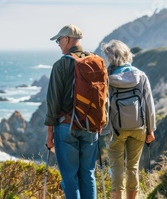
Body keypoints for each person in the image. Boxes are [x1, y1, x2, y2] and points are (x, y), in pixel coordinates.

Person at [45, 24, 100, 199]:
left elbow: (53, 102)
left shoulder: (61, 65)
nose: (59, 44)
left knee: (70, 179)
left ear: (67, 39)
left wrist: (49, 133)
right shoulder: (96, 61)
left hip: (67, 127)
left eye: (59, 40)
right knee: (88, 175)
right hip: (91, 126)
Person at [101, 40, 156, 199]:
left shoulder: (108, 79)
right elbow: (149, 104)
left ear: (111, 58)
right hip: (139, 127)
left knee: (116, 168)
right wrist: (150, 130)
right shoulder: (141, 75)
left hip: (116, 129)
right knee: (132, 167)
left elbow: (104, 104)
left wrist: (102, 128)